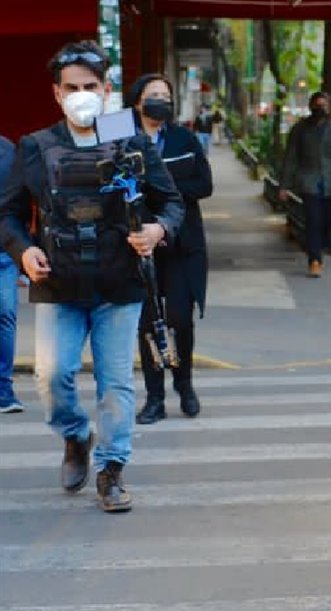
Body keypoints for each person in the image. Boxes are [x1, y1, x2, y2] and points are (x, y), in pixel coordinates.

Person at [0, 41, 184, 511]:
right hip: (57, 283)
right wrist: (24, 251)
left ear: (106, 90)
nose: (82, 95)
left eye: (90, 86)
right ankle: (75, 436)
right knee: (52, 376)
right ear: (56, 94)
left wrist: (156, 229)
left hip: (119, 283)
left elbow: (172, 202)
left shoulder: (130, 139)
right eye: (71, 88)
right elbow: (9, 215)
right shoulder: (36, 147)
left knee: (116, 383)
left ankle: (112, 469)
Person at [126, 73, 213, 425]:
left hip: (181, 242)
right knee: (148, 323)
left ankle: (185, 384)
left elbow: (204, 184)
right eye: (153, 94)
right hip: (138, 245)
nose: (161, 100)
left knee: (179, 319)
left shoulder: (183, 137)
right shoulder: (121, 134)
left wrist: (160, 183)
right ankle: (154, 397)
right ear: (137, 101)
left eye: (166, 94)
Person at [279, 91, 331, 278]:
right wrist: (284, 185)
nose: (320, 109)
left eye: (324, 105)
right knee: (313, 220)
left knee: (328, 221)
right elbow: (291, 158)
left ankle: (319, 247)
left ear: (329, 108)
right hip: (308, 181)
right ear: (311, 107)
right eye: (317, 105)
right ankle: (314, 260)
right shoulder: (300, 129)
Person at [0, 135, 23, 414]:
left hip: (3, 252)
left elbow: (18, 199)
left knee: (5, 315)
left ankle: (3, 389)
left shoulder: (8, 150)